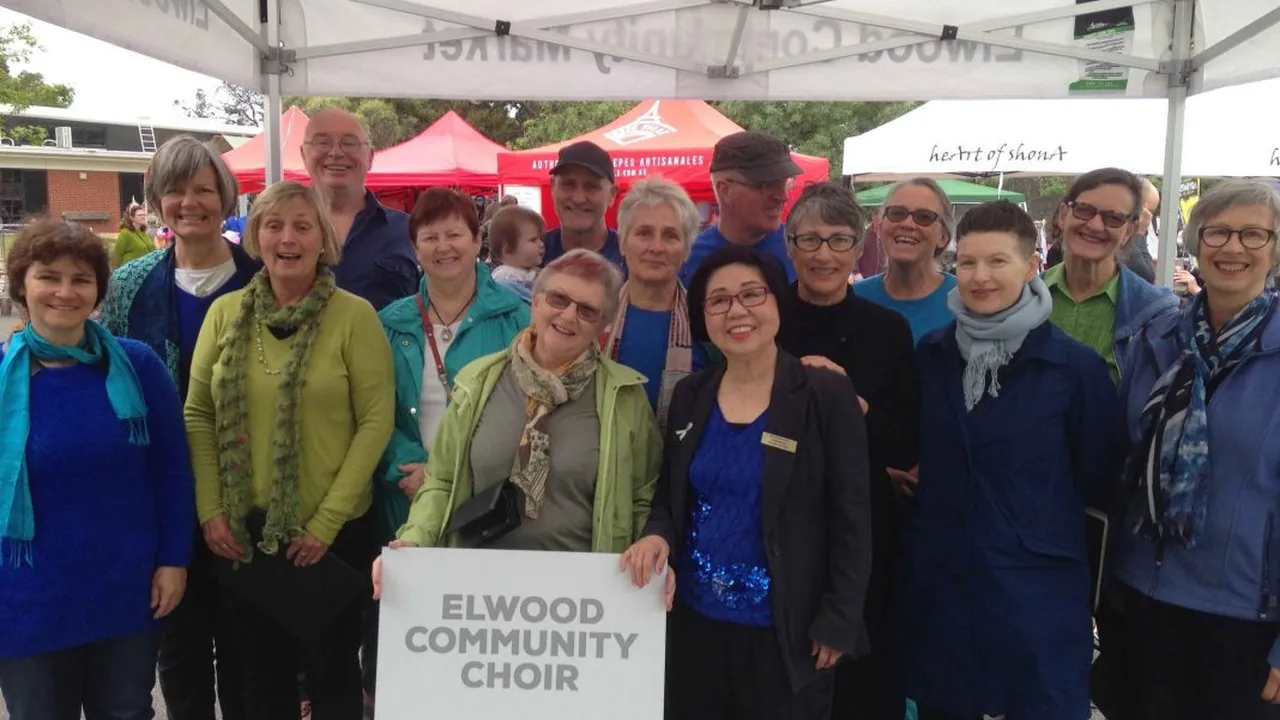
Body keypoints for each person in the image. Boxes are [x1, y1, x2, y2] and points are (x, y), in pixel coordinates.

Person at [623, 244, 872, 720]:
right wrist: (656, 534)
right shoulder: (691, 394)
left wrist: (839, 618)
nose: (736, 310)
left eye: (751, 295)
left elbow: (853, 517)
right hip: (694, 629)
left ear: (777, 301)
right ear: (703, 316)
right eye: (718, 300)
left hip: (786, 633)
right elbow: (671, 498)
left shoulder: (823, 393)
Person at [902, 202, 1123, 720]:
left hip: (1036, 592)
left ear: (1030, 267)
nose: (980, 277)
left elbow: (1100, 478)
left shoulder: (1073, 369)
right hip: (946, 590)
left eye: (997, 261)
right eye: (968, 261)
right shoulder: (934, 357)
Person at [184, 181, 394, 719]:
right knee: (261, 680)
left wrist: (325, 523)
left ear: (323, 239)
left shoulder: (354, 316)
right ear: (255, 235)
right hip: (245, 534)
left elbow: (375, 422)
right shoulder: (225, 315)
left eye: (303, 225)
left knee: (334, 679)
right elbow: (199, 413)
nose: (288, 238)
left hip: (335, 535)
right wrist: (211, 511)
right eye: (274, 225)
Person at [0, 219, 195, 720]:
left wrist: (174, 559)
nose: (65, 292)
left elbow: (172, 471)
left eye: (81, 279)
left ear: (97, 292)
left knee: (127, 712)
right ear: (22, 284)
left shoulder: (138, 366)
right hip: (26, 595)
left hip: (123, 587)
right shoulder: (2, 380)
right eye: (49, 276)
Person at [1102, 180, 1280, 720]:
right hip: (1141, 599)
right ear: (1197, 242)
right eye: (1218, 232)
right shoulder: (1157, 339)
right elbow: (1120, 460)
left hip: (1244, 616)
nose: (1233, 248)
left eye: (1254, 234)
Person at [100, 135, 259, 720]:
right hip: (164, 494)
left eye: (203, 188)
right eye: (175, 190)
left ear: (225, 195)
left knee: (247, 652)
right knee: (180, 651)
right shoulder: (130, 284)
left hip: (250, 495)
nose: (190, 202)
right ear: (157, 201)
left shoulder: (261, 279)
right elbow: (113, 382)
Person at [373, 249, 660, 569]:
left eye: (587, 311)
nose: (567, 316)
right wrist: (414, 540)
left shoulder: (625, 399)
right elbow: (441, 481)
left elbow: (642, 498)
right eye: (558, 299)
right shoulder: (477, 382)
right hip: (479, 588)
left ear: (603, 325)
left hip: (582, 594)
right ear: (535, 301)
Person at [368, 188, 528, 705]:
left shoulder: (517, 318)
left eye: (455, 233)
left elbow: (528, 409)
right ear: (415, 247)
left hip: (487, 500)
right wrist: (404, 468)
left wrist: (455, 477)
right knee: (415, 644)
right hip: (405, 498)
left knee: (479, 648)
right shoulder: (390, 322)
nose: (444, 246)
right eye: (429, 236)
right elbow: (373, 410)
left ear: (478, 240)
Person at [777, 182, 919, 720]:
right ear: (790, 246)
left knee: (861, 683)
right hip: (778, 522)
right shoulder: (766, 317)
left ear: (860, 249)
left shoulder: (887, 330)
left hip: (860, 527)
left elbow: (905, 438)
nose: (823, 255)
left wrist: (851, 404)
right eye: (809, 239)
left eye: (839, 241)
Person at [1044, 167, 1178, 384]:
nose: (1095, 225)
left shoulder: (1156, 314)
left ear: (1128, 232)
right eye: (1085, 210)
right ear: (1063, 215)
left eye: (1113, 218)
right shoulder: (1023, 296)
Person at [600, 177, 707, 428]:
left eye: (670, 236)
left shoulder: (707, 322)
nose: (656, 247)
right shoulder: (594, 315)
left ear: (686, 251)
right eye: (644, 233)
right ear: (622, 243)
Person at [302, 106, 419, 310]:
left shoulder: (407, 230)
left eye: (349, 143)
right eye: (322, 142)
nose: (336, 152)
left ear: (370, 157)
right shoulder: (277, 232)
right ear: (304, 154)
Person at [680, 131, 803, 284]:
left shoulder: (802, 249)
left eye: (784, 184)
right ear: (725, 190)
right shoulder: (685, 260)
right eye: (767, 185)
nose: (782, 196)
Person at [854, 178, 958, 344]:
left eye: (924, 217)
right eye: (897, 213)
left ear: (943, 237)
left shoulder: (965, 300)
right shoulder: (854, 299)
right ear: (880, 227)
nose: (907, 224)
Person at [542, 141, 622, 267]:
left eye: (592, 186)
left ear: (612, 194)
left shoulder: (632, 258)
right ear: (552, 187)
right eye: (569, 184)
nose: (578, 199)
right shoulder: (530, 254)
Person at [488, 204, 546, 302]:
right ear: (508, 249)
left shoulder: (531, 273)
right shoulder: (504, 278)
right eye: (533, 240)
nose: (541, 244)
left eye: (541, 238)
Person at [113, 202, 153, 268]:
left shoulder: (144, 233)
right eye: (139, 215)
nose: (143, 217)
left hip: (145, 270)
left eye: (144, 215)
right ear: (132, 217)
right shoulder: (125, 233)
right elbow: (117, 255)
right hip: (130, 271)